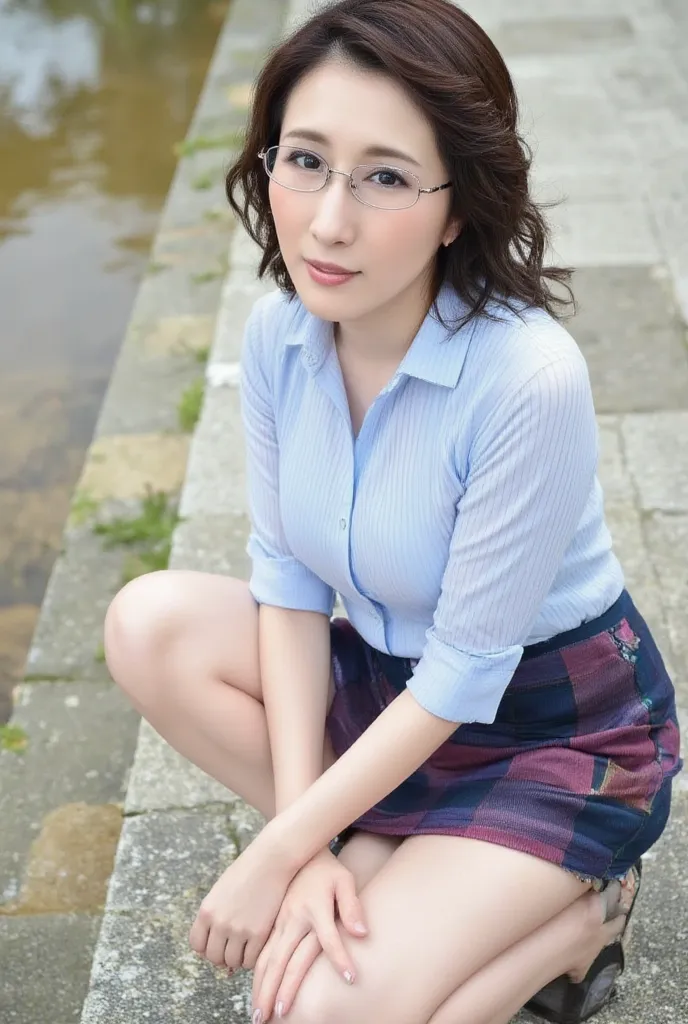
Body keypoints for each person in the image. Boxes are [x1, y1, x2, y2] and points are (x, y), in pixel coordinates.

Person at [104, 1, 683, 1022]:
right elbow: (285, 583)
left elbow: (466, 671)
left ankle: (579, 913)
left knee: (307, 1009)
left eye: (383, 177)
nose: (328, 222)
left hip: (545, 730)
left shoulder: (526, 380)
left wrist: (278, 856)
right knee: (145, 622)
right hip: (385, 688)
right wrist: (306, 839)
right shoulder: (284, 334)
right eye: (305, 160)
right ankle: (399, 855)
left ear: (458, 206)